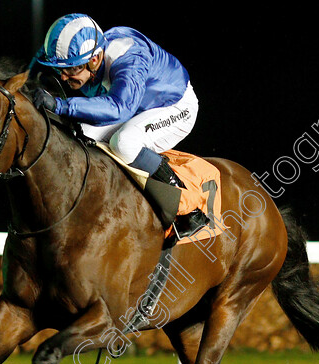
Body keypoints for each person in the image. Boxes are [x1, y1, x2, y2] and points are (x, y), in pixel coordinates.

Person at [31, 13, 207, 238]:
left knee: (124, 142)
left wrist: (60, 105)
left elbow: (120, 108)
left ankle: (187, 207)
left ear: (94, 59)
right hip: (138, 107)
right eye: (59, 69)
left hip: (176, 106)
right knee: (79, 135)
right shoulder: (93, 54)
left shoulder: (128, 58)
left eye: (71, 69)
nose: (64, 77)